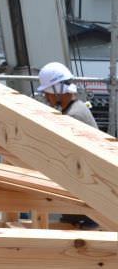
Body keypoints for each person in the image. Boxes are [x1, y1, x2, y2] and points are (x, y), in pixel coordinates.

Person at [37, 61, 100, 230]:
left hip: (85, 206)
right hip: (83, 198)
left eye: (47, 94)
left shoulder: (73, 116)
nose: (47, 99)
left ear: (58, 91)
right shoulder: (74, 110)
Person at [37, 62, 98, 129]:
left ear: (58, 93)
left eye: (48, 94)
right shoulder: (76, 106)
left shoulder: (73, 116)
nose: (46, 98)